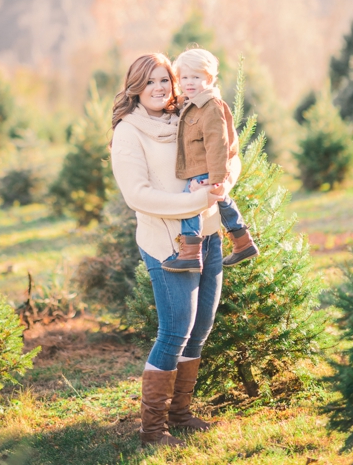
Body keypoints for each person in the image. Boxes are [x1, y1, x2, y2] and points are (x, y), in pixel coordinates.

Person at [110, 53, 240, 447]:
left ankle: (180, 414)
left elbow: (228, 153)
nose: (159, 88)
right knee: (175, 331)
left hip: (209, 235)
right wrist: (198, 201)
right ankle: (152, 428)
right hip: (168, 245)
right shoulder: (128, 132)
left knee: (200, 329)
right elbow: (137, 195)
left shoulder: (187, 113)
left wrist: (224, 185)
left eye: (164, 80)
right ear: (135, 88)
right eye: (149, 82)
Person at [161, 48, 259, 273]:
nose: (189, 82)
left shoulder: (211, 106)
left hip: (205, 169)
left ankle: (190, 253)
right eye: (184, 77)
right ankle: (242, 241)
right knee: (222, 199)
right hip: (203, 168)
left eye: (196, 77)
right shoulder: (192, 102)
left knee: (191, 204)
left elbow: (218, 144)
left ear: (209, 78)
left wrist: (216, 179)